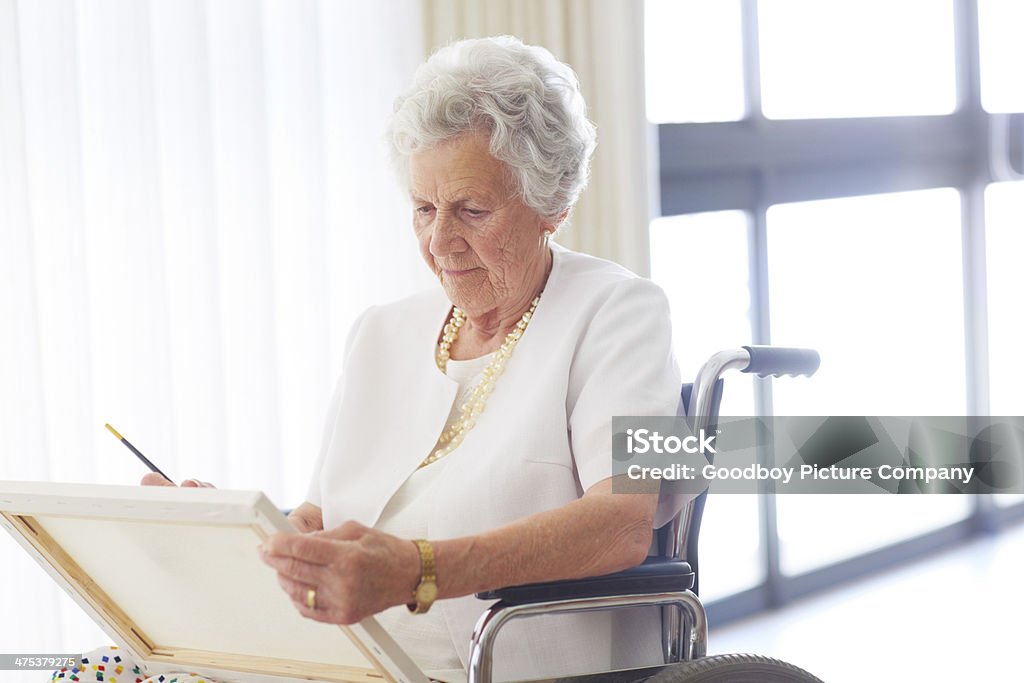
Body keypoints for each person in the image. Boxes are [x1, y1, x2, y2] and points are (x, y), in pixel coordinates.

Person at [53, 35, 683, 683]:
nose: (440, 241)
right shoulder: (381, 332)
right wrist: (231, 541)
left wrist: (418, 569)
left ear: (553, 205)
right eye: (423, 208)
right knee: (97, 669)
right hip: (339, 659)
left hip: (488, 665)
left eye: (471, 209)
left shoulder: (626, 312)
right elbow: (317, 520)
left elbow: (623, 523)